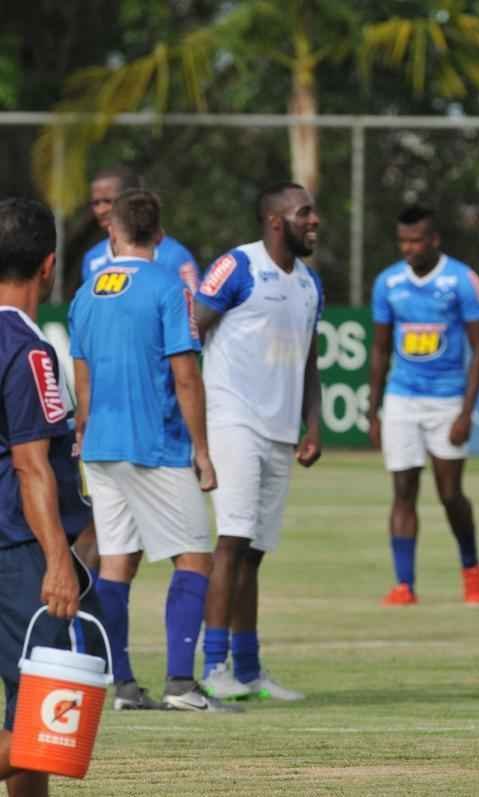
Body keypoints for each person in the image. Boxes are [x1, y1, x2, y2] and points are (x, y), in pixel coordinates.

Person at [69, 189, 229, 712]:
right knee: (195, 558)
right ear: (159, 235)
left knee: (116, 563)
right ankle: (181, 685)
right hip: (154, 444)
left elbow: (83, 371)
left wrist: (84, 430)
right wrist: (202, 450)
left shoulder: (87, 290)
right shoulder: (168, 285)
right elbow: (186, 375)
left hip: (101, 446)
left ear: (111, 232)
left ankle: (124, 687)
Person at [195, 182, 324, 702]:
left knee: (253, 552)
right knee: (231, 540)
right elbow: (193, 326)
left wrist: (311, 425)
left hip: (278, 430)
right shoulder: (237, 266)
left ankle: (248, 669)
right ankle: (212, 665)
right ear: (276, 221)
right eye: (304, 213)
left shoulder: (310, 284)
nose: (314, 221)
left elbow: (310, 358)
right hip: (232, 419)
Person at [0, 197, 97, 797]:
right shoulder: (27, 349)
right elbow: (33, 468)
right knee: (46, 725)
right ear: (49, 266)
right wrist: (59, 562)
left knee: (29, 717)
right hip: (17, 550)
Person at [368, 206, 479, 606]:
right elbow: (381, 350)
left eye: (416, 241)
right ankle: (404, 585)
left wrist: (466, 411)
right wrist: (374, 410)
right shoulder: (388, 283)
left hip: (447, 399)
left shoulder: (461, 281)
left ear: (434, 239)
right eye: (403, 241)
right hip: (402, 397)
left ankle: (471, 570)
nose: (409, 248)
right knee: (402, 490)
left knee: (449, 493)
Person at [81, 167, 199, 291]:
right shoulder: (92, 258)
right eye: (95, 203)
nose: (101, 210)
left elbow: (193, 306)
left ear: (133, 201)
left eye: (108, 201)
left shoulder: (174, 256)